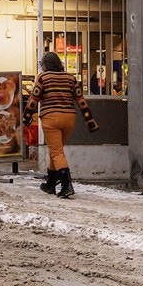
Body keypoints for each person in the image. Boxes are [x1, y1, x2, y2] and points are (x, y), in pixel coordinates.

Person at [27, 51, 98, 198]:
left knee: (57, 152)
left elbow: (34, 99)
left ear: (45, 65)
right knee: (56, 150)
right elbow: (81, 100)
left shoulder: (43, 77)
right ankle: (50, 184)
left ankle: (66, 185)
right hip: (69, 119)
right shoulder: (70, 78)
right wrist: (90, 120)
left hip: (51, 119)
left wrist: (26, 117)